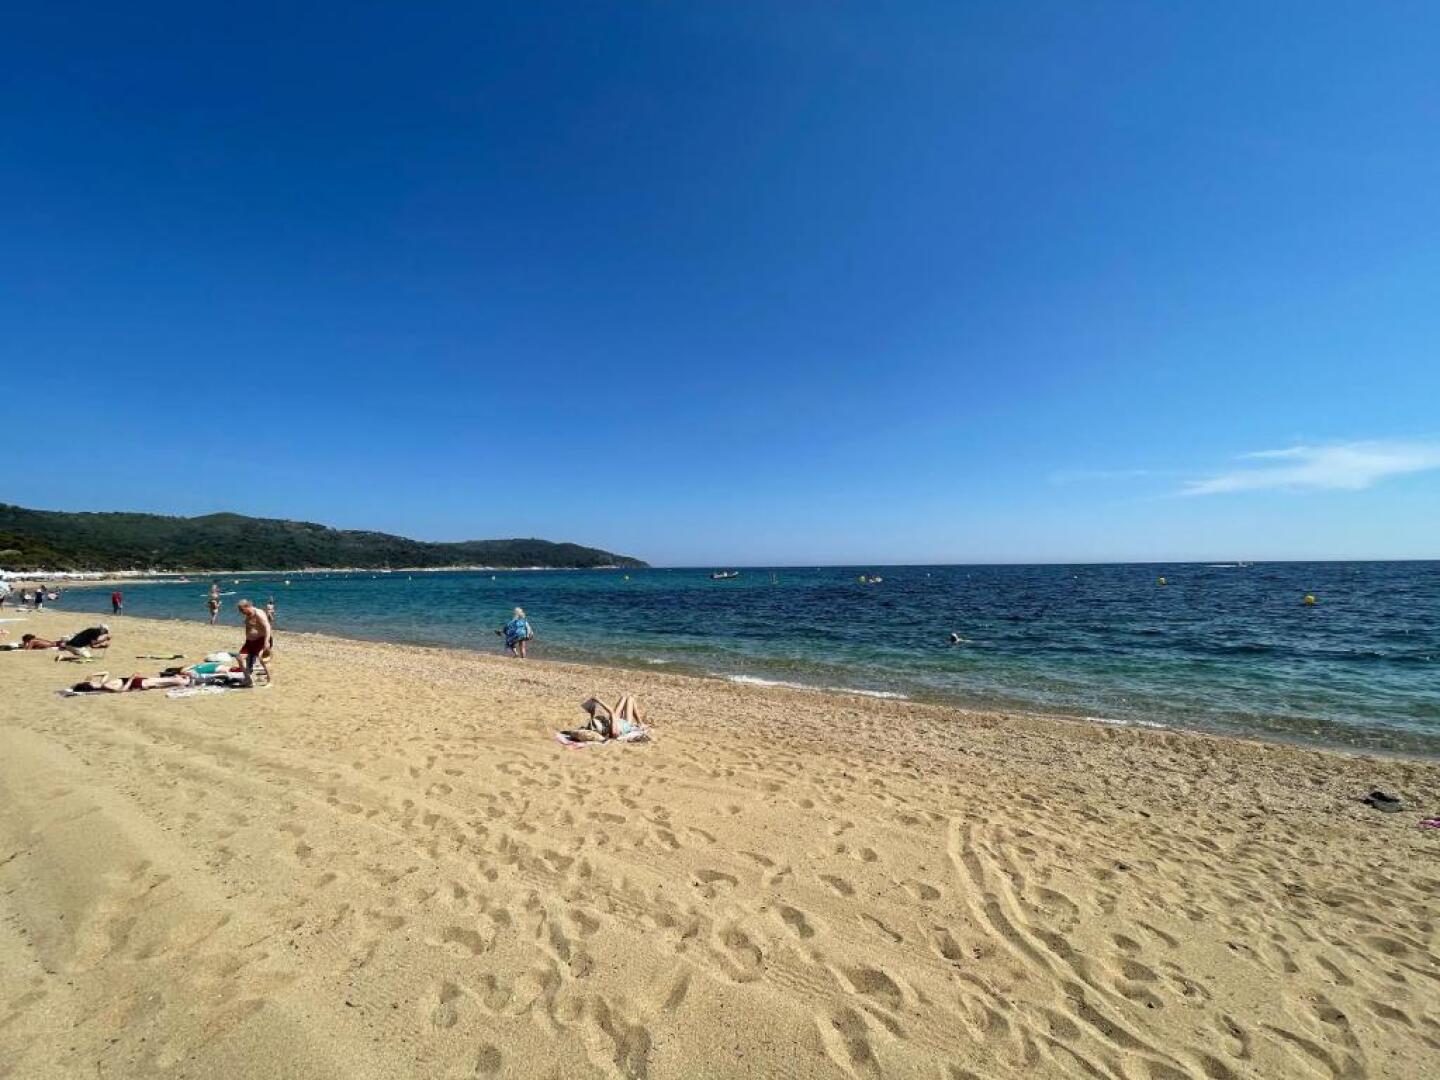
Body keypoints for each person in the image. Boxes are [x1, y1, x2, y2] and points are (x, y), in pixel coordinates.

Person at [236, 599, 272, 686]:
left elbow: (267, 627)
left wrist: (266, 642)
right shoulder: (248, 614)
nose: (240, 612)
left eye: (241, 610)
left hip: (261, 640)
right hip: (250, 642)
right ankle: (248, 680)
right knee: (240, 658)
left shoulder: (258, 613)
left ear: (247, 606)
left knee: (263, 659)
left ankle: (270, 681)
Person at [69, 671, 192, 694]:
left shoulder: (103, 683)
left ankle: (182, 680)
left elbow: (106, 672)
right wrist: (132, 678)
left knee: (163, 681)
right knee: (164, 682)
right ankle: (185, 681)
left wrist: (93, 674)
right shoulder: (105, 685)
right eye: (92, 682)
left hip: (137, 681)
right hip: (136, 683)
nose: (93, 681)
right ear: (91, 686)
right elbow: (122, 690)